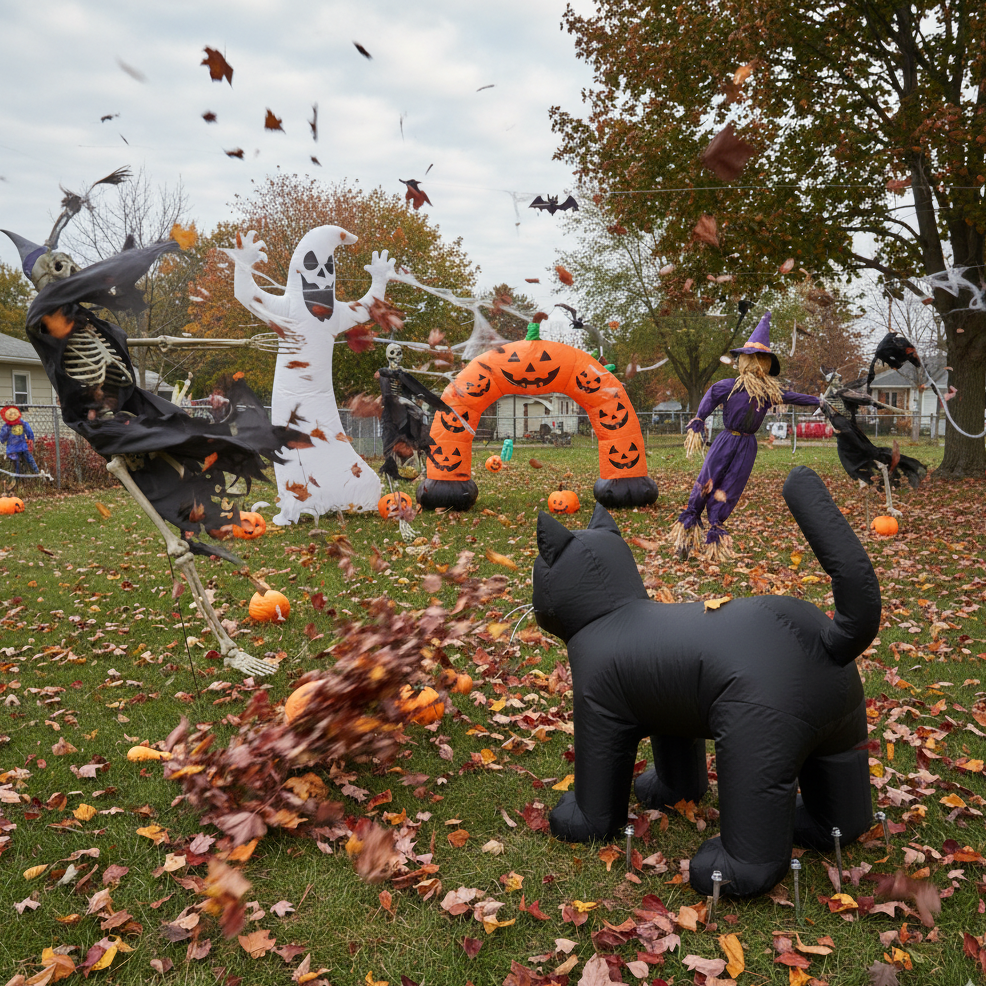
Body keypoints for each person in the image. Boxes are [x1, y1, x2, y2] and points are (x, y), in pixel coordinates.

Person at [670, 312, 820, 561]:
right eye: (751, 358)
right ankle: (686, 537)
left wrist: (820, 401)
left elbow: (794, 397)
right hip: (725, 441)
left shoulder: (769, 392)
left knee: (730, 488)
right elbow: (710, 396)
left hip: (747, 446)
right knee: (706, 482)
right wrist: (699, 420)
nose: (755, 363)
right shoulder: (729, 386)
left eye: (760, 359)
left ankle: (715, 533)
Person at [1, 406, 39, 477]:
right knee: (28, 460)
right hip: (21, 447)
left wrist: (30, 439)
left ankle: (18, 477)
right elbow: (29, 432)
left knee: (17, 464)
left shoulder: (8, 426)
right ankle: (37, 473)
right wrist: (31, 439)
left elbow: (3, 437)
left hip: (13, 448)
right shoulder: (21, 423)